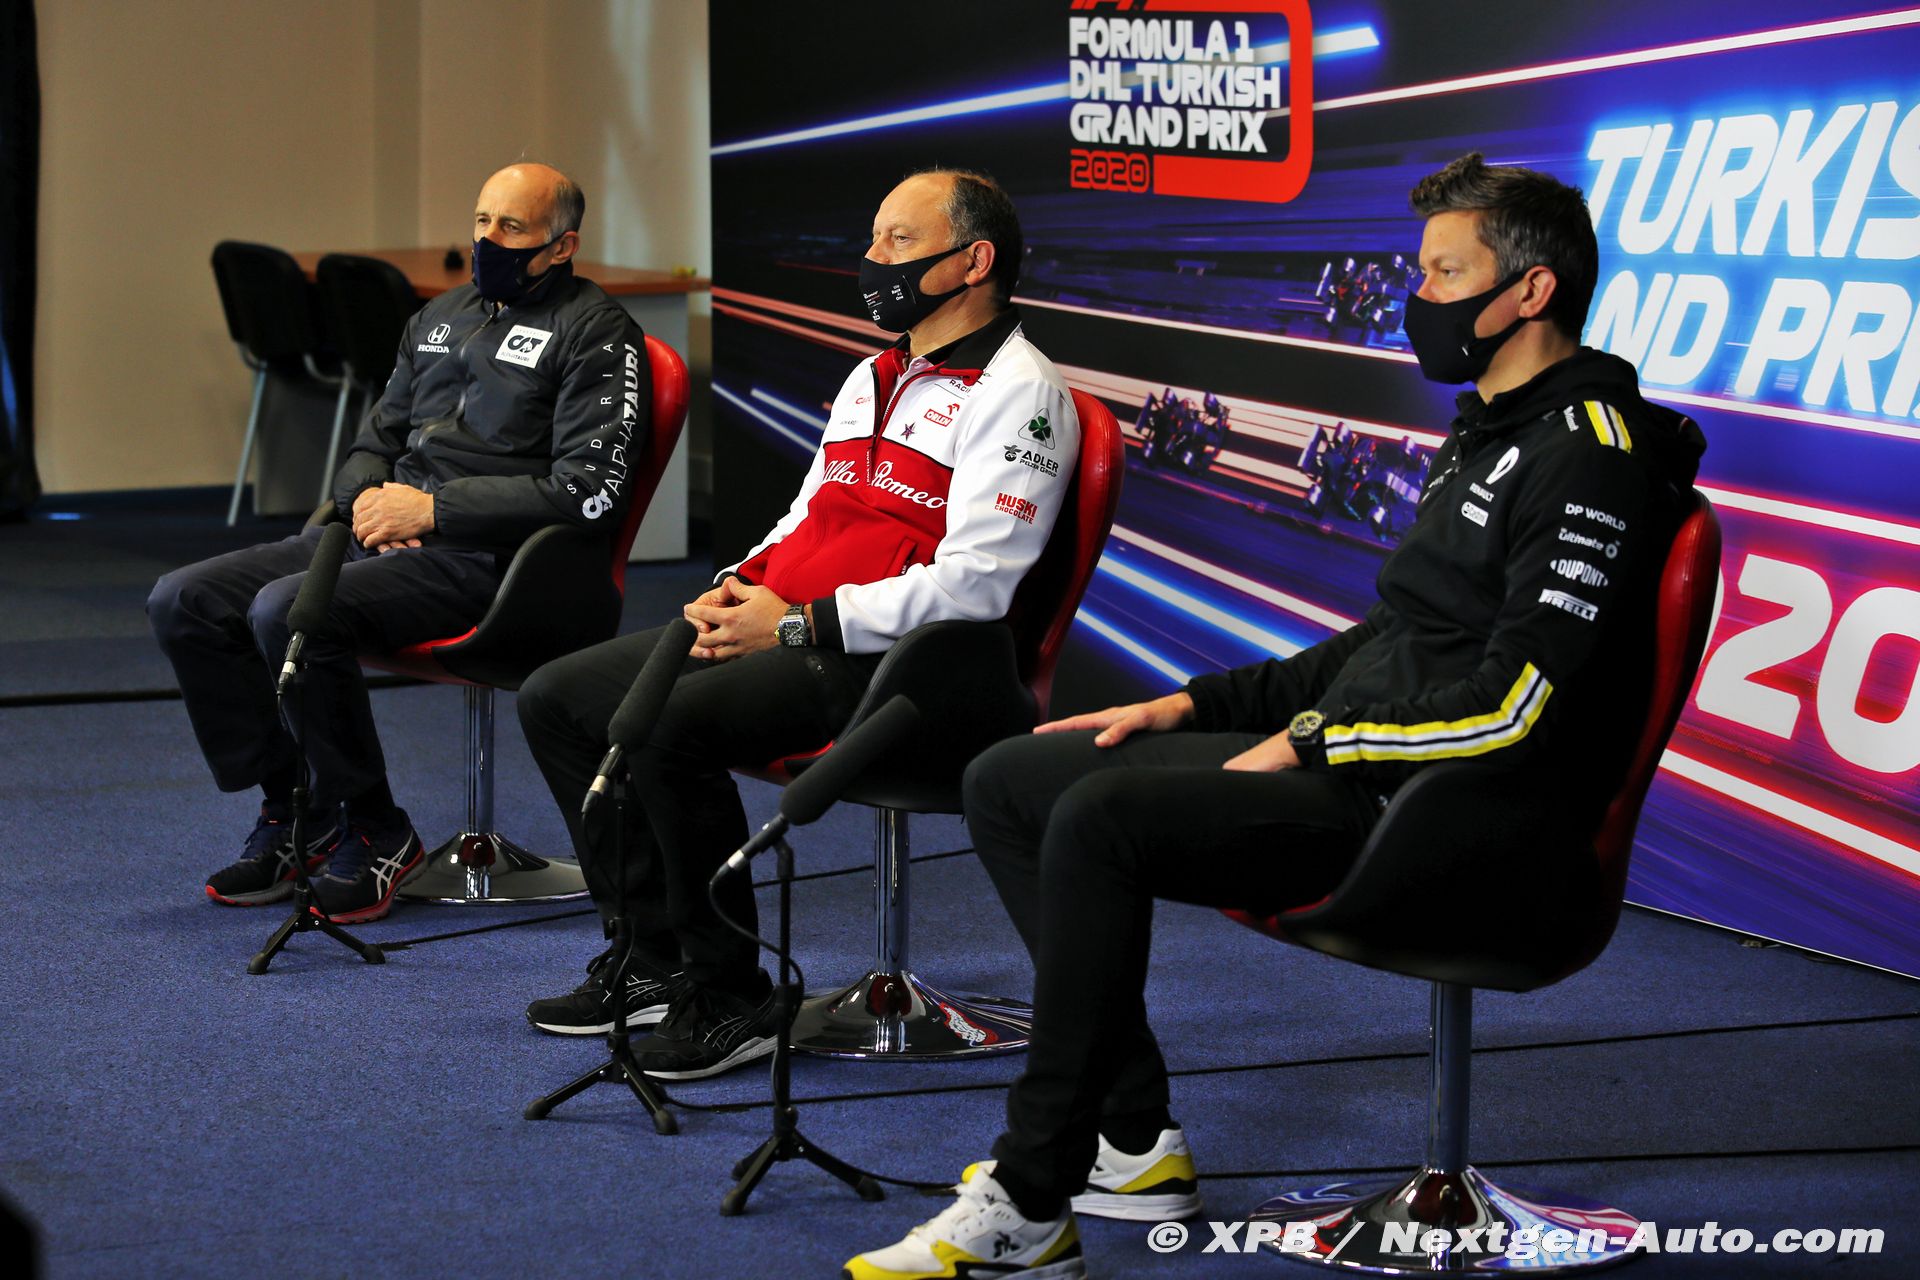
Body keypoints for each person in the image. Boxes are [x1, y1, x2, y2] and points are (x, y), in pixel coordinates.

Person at [845, 152, 1706, 1279]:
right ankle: (1132, 1138)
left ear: (1531, 290)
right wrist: (1191, 704)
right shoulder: (1491, 430)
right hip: (1364, 765)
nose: (1420, 298)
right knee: (1013, 778)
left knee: (1101, 817)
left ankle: (1031, 1194)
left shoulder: (1592, 456)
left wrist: (1312, 740)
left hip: (1450, 811)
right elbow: (1387, 641)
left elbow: (1518, 706)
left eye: (1445, 274)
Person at [515, 169, 1079, 1080]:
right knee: (558, 698)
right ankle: (655, 960)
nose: (873, 259)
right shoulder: (874, 372)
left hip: (900, 666)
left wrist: (798, 623)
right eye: (874, 236)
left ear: (974, 262)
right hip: (787, 623)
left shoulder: (1023, 394)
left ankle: (731, 995)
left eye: (899, 241)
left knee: (664, 730)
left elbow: (977, 586)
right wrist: (736, 587)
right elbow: (806, 516)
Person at [148, 163, 645, 925]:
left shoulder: (598, 331)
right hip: (384, 535)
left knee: (290, 610)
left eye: (512, 227)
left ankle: (377, 829)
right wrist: (370, 506)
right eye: (481, 221)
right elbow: (373, 440)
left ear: (562, 245)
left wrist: (434, 512)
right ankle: (299, 811)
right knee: (185, 599)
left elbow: (588, 490)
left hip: (499, 562)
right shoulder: (438, 315)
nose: (489, 239)